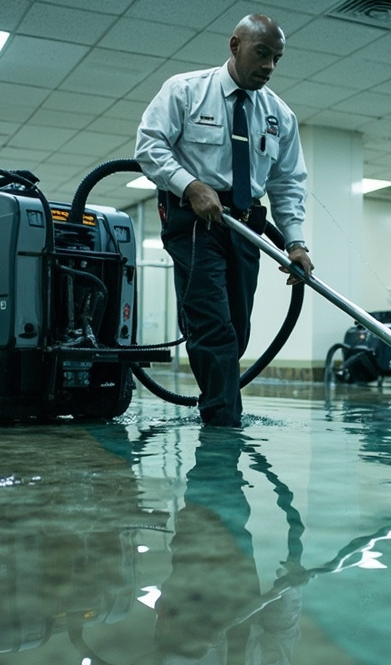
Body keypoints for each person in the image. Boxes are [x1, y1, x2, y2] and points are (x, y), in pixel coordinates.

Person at [136, 13, 312, 427]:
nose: (269, 66)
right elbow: (149, 146)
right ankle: (223, 423)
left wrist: (296, 243)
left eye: (277, 58)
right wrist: (191, 185)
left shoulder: (279, 116)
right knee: (213, 323)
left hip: (247, 224)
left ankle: (218, 404)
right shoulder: (185, 91)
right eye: (262, 53)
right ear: (235, 46)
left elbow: (288, 183)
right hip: (196, 221)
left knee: (237, 326)